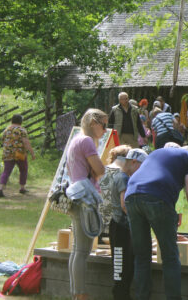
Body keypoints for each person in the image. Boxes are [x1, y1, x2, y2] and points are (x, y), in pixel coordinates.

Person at [125, 145, 188, 300]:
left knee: (142, 255)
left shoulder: (158, 153)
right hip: (157, 197)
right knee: (169, 256)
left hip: (131, 195)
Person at [66, 109, 108, 300]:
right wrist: (101, 167)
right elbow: (99, 170)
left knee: (77, 250)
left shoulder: (75, 139)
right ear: (93, 122)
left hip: (76, 195)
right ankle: (81, 294)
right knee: (82, 251)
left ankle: (77, 293)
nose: (105, 130)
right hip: (86, 199)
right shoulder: (87, 141)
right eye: (104, 125)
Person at [108, 148, 148, 300]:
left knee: (127, 265)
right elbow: (125, 205)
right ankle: (120, 295)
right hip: (120, 227)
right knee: (121, 267)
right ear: (133, 162)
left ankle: (122, 294)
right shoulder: (123, 178)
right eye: (141, 167)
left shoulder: (121, 176)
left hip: (121, 226)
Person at [0, 114, 35, 197]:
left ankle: (1, 188)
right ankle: (22, 188)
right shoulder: (21, 130)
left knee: (6, 171)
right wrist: (32, 153)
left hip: (7, 153)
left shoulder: (6, 129)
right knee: (23, 170)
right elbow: (26, 142)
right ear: (20, 121)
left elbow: (3, 140)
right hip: (19, 154)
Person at [99, 145, 132, 232]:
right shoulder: (122, 176)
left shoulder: (101, 171)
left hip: (98, 223)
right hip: (115, 226)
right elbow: (123, 204)